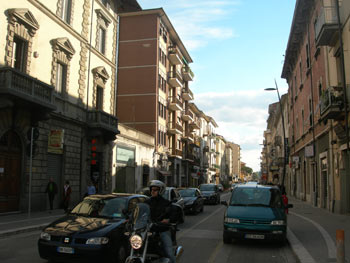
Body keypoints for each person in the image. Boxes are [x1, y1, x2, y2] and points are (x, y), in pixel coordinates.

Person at [145, 180, 176, 263]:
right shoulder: (147, 202)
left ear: (161, 190)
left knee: (169, 252)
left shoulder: (166, 203)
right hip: (148, 229)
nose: (152, 191)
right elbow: (141, 212)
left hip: (162, 229)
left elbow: (173, 215)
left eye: (155, 190)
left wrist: (168, 220)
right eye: (151, 189)